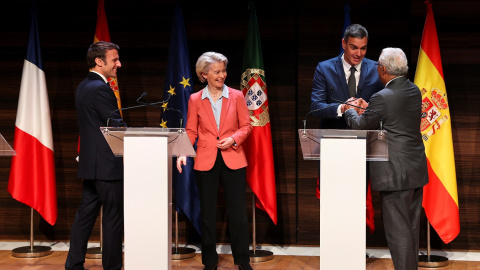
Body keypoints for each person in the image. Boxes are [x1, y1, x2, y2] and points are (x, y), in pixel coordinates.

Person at [344, 47, 429, 270]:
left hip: (395, 173)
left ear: (382, 69)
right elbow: (393, 116)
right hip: (414, 170)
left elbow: (361, 125)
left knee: (398, 233)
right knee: (409, 228)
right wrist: (369, 107)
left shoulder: (382, 96)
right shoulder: (414, 90)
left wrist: (350, 108)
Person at [176, 52, 253, 270]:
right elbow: (191, 131)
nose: (222, 75)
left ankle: (242, 261)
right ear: (204, 74)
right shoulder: (195, 99)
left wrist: (233, 139)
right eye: (217, 71)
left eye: (223, 71)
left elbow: (246, 126)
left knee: (238, 213)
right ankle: (209, 261)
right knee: (207, 214)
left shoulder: (237, 96)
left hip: (234, 159)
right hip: (205, 160)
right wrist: (183, 152)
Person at [66, 41, 126, 270]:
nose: (119, 64)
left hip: (91, 165)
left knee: (85, 216)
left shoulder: (83, 85)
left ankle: (74, 264)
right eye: (114, 60)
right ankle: (112, 267)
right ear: (99, 62)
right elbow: (115, 126)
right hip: (107, 166)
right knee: (112, 217)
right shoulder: (100, 88)